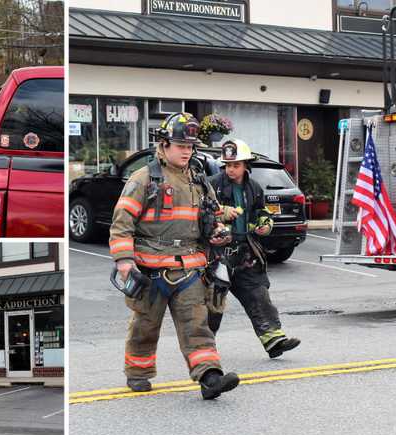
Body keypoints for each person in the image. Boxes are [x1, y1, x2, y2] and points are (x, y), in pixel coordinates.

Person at [110, 112, 240, 400]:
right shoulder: (143, 178)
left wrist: (219, 230)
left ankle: (210, 377)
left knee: (198, 326)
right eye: (180, 145)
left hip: (190, 269)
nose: (186, 151)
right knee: (145, 327)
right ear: (164, 144)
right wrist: (124, 261)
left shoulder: (199, 180)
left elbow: (213, 214)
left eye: (190, 146)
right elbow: (122, 223)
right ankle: (138, 373)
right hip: (150, 271)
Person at [207, 139, 301, 358]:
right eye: (228, 165)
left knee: (258, 293)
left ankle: (273, 340)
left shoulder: (254, 187)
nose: (231, 169)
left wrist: (266, 224)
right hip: (218, 254)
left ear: (246, 165)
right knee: (213, 301)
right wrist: (221, 212)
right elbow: (201, 211)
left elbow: (261, 212)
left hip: (246, 252)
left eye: (236, 165)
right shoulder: (212, 185)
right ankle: (203, 348)